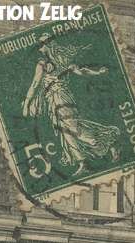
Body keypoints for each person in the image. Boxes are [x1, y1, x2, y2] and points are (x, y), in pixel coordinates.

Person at [22, 33, 120, 173]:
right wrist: (97, 72)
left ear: (48, 45)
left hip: (61, 98)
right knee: (65, 130)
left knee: (73, 129)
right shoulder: (60, 60)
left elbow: (35, 84)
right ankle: (82, 162)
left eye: (42, 45)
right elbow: (81, 71)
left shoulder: (44, 64)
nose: (40, 49)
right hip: (55, 100)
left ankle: (108, 141)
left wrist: (26, 104)